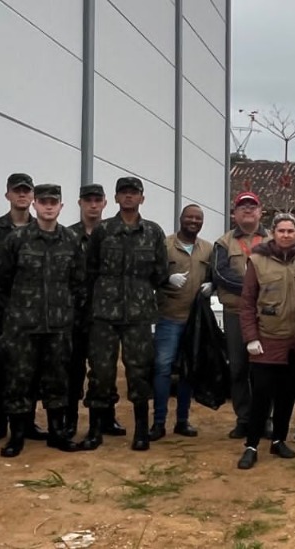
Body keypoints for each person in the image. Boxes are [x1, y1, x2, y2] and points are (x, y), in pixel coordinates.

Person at [0, 184, 83, 456]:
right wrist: (11, 320)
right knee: (20, 380)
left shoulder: (71, 240)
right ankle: (17, 436)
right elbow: (0, 284)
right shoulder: (17, 240)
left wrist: (68, 314)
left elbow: (79, 284)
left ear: (62, 206)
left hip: (58, 327)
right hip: (23, 328)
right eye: (43, 201)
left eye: (54, 202)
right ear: (35, 205)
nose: (48, 206)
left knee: (57, 380)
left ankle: (57, 433)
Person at [81, 176, 168, 452]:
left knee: (139, 371)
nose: (129, 197)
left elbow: (160, 272)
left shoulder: (153, 232)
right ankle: (95, 430)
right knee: (101, 372)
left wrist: (138, 292)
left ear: (142, 198)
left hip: (139, 314)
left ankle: (141, 431)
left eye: (134, 193)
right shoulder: (104, 230)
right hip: (105, 313)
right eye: (124, 193)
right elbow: (90, 269)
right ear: (116, 198)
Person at [237, 214, 295, 470]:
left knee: (287, 396)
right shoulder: (257, 261)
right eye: (282, 230)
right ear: (273, 233)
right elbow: (246, 303)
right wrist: (250, 337)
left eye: (291, 230)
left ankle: (278, 439)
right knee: (261, 396)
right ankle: (252, 445)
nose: (286, 235)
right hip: (266, 340)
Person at [0, 173, 45, 444]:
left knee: (30, 367)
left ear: (32, 197)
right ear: (7, 195)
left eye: (27, 191)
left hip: (31, 312)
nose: (22, 195)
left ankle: (27, 422)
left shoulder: (43, 230)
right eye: (17, 191)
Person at [212, 191, 278, 440]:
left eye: (252, 206)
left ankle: (266, 419)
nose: (248, 210)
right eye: (242, 207)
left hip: (268, 315)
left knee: (265, 369)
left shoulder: (273, 240)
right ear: (234, 213)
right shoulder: (223, 243)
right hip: (235, 313)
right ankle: (244, 419)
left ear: (261, 211)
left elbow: (281, 272)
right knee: (238, 368)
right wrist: (252, 288)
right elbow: (221, 274)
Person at [151, 205, 214, 440]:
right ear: (181, 219)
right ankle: (158, 422)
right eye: (189, 217)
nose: (193, 221)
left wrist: (213, 286)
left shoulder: (207, 249)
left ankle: (182, 420)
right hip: (169, 318)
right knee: (163, 369)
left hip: (195, 322)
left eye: (198, 218)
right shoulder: (165, 245)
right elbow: (151, 274)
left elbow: (215, 275)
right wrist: (167, 278)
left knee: (188, 371)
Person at [67, 184, 123, 439]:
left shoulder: (113, 235)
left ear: (104, 203)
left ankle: (106, 419)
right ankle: (70, 422)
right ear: (79, 203)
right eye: (87, 200)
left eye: (97, 200)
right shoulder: (67, 236)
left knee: (104, 369)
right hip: (72, 315)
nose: (92, 205)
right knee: (72, 368)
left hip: (104, 314)